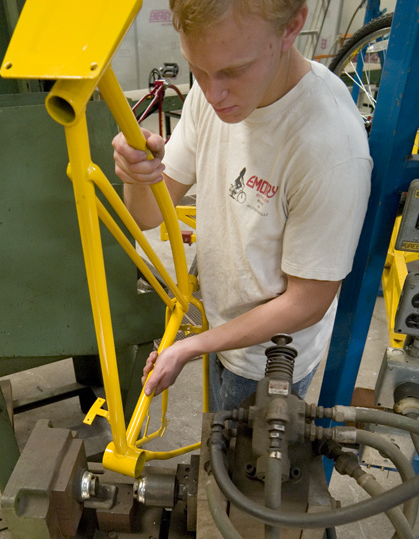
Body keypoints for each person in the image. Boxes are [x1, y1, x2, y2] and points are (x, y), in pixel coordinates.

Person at [112, 0, 372, 411]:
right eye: (198, 69)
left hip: (269, 359)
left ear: (291, 28)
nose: (213, 94)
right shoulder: (213, 92)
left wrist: (191, 346)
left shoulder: (330, 147)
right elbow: (147, 214)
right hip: (220, 325)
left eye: (233, 70)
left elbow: (308, 302)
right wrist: (138, 176)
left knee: (239, 466)